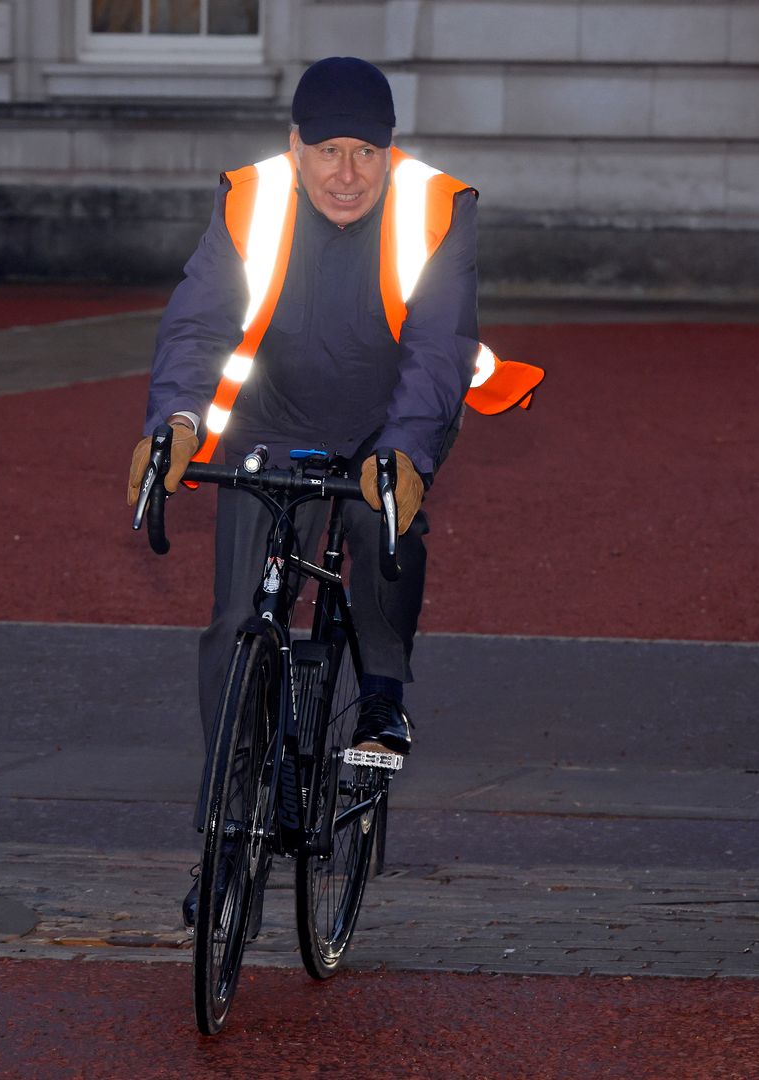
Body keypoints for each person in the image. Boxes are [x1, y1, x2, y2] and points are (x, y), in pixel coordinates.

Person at [127, 57, 542, 929]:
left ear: (391, 154)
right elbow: (200, 320)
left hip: (388, 418)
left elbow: (437, 355)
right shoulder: (253, 198)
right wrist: (176, 422)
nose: (346, 173)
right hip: (270, 422)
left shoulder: (437, 208)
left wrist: (401, 453)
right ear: (294, 147)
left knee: (379, 514)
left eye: (365, 152)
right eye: (327, 151)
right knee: (236, 622)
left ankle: (383, 696)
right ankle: (227, 840)